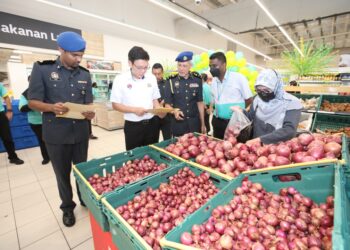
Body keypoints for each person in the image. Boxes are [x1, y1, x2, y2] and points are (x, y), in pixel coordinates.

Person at [28, 31, 95, 227]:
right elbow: (33, 101)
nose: (78, 58)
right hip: (56, 134)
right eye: (74, 55)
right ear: (61, 50)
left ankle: (84, 199)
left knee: (81, 171)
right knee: (62, 173)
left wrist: (89, 113)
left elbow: (88, 103)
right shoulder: (43, 70)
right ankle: (67, 207)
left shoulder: (85, 73)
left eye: (81, 55)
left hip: (80, 132)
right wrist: (51, 107)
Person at [110, 46, 165, 150]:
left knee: (152, 154)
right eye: (139, 67)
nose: (143, 71)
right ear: (130, 63)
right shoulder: (120, 79)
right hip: (133, 126)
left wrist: (160, 110)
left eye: (146, 67)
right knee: (134, 158)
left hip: (152, 124)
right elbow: (115, 104)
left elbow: (155, 100)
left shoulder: (151, 78)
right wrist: (134, 110)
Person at [238, 69, 302, 146]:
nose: (262, 93)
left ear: (276, 87)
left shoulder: (291, 103)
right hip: (256, 147)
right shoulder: (257, 99)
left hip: (279, 149)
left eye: (266, 90)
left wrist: (261, 140)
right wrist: (241, 112)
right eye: (258, 90)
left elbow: (289, 131)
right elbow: (251, 117)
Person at [208, 52, 253, 139]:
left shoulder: (238, 78)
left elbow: (249, 100)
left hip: (234, 123)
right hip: (217, 122)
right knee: (218, 147)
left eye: (214, 66)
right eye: (210, 66)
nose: (211, 69)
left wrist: (239, 112)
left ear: (224, 64)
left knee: (234, 149)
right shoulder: (214, 81)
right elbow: (215, 100)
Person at [164, 51, 206, 137]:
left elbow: (200, 103)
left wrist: (203, 123)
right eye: (179, 65)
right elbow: (167, 105)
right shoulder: (171, 81)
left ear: (190, 66)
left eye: (184, 66)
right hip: (178, 125)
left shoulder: (197, 80)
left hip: (194, 125)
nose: (181, 69)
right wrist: (174, 111)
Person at [19, 76, 50, 165]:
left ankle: (55, 155)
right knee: (42, 140)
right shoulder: (25, 94)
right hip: (36, 122)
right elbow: (21, 108)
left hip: (50, 120)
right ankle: (46, 157)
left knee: (53, 139)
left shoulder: (47, 90)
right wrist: (33, 104)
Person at [0, 81, 24, 165]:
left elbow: (6, 97)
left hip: (0, 114)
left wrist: (9, 110)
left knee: (7, 137)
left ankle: (13, 157)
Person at [152, 63, 172, 140]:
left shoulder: (168, 83)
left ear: (162, 73)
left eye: (159, 74)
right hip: (154, 117)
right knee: (153, 140)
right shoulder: (148, 85)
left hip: (166, 117)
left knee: (168, 140)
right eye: (154, 74)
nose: (156, 76)